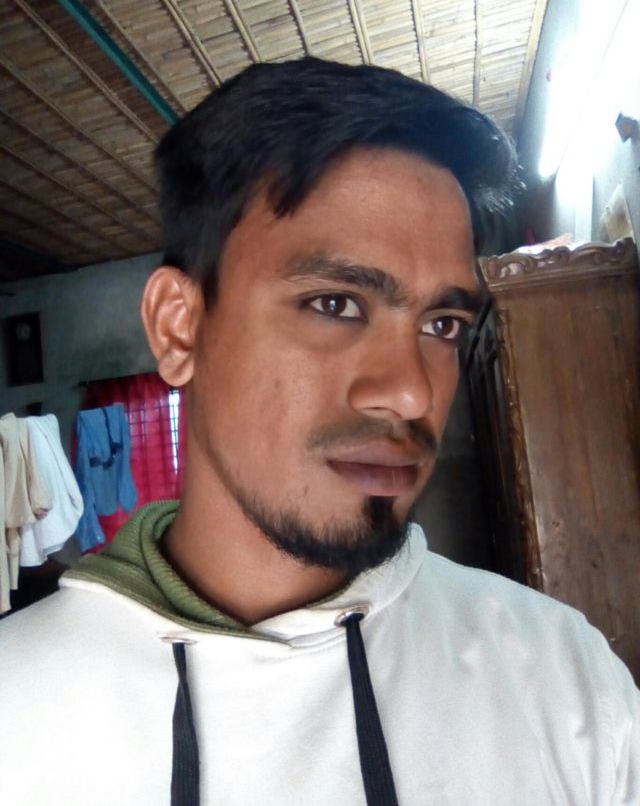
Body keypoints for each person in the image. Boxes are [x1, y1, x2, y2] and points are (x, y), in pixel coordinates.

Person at [0, 58, 637, 806]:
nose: (412, 391)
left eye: (442, 323)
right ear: (178, 329)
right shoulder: (19, 712)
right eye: (336, 304)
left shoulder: (564, 680)